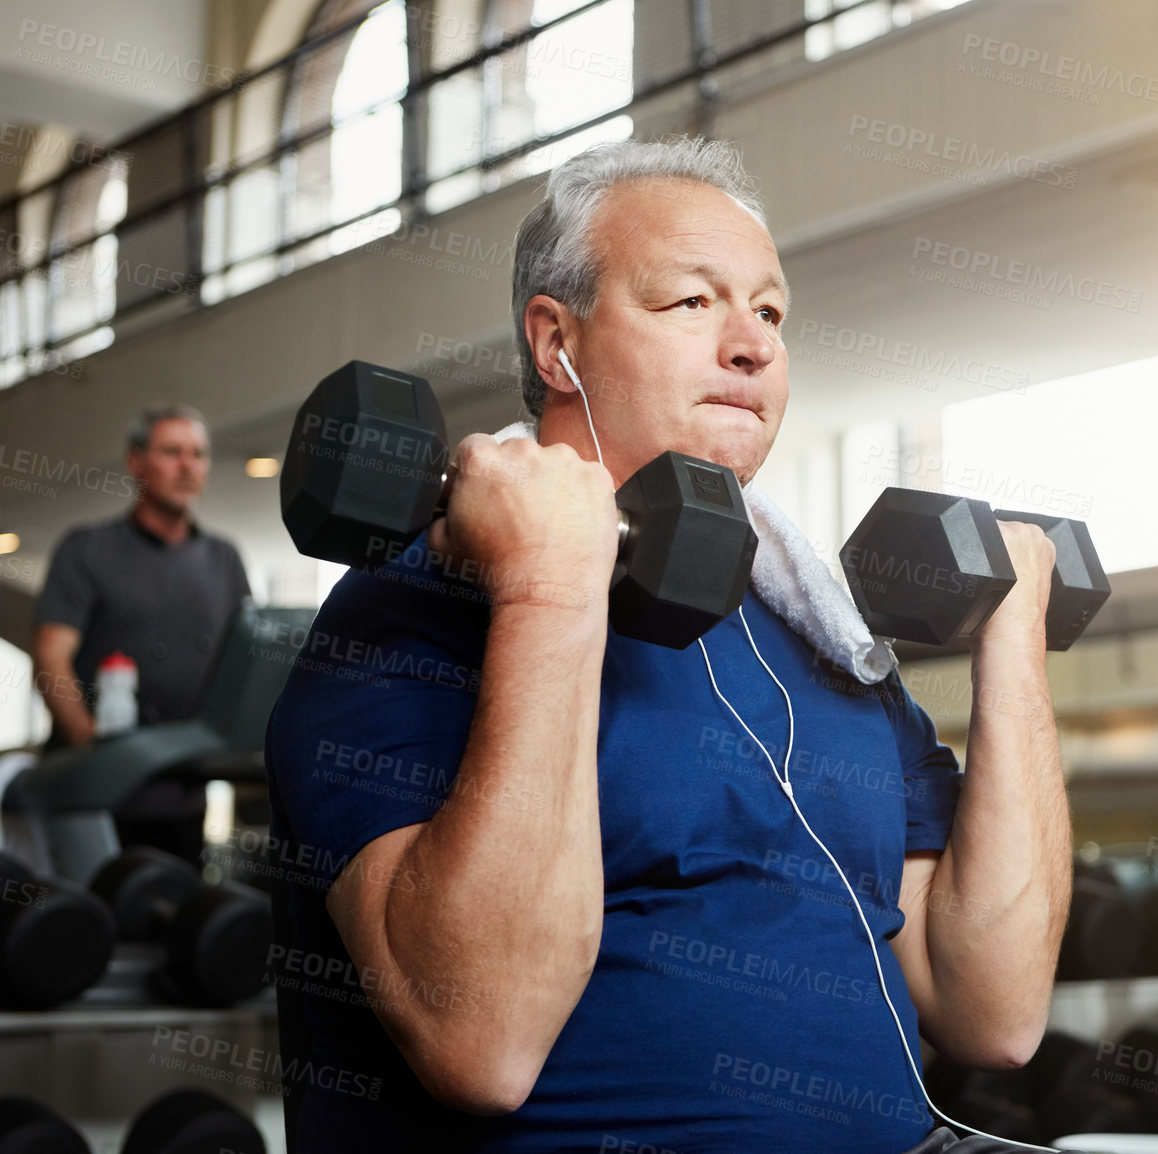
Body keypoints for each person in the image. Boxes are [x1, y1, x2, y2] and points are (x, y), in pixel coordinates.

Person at [265, 138, 1070, 1153]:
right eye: (692, 302)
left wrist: (1012, 640)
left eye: (770, 312)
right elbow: (480, 1040)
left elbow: (991, 1011)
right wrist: (549, 586)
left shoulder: (828, 641)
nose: (752, 343)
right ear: (556, 344)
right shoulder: (413, 610)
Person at [32, 404, 251, 858]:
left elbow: (244, 663)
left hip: (183, 791)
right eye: (171, 451)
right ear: (136, 462)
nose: (187, 465)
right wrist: (91, 747)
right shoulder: (87, 550)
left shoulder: (223, 559)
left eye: (198, 454)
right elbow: (51, 654)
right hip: (93, 793)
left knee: (181, 920)